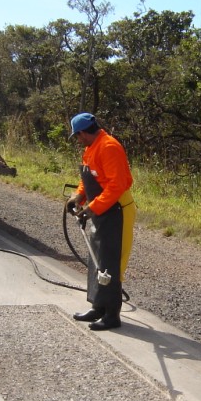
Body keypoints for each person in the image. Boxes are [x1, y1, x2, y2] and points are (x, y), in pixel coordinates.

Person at [66, 113, 136, 330]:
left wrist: (91, 208)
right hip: (101, 209)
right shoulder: (91, 148)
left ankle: (112, 315)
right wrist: (79, 196)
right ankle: (98, 306)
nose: (78, 140)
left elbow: (117, 185)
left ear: (83, 132)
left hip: (117, 210)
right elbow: (88, 177)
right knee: (98, 259)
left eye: (77, 136)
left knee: (112, 262)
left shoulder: (109, 147)